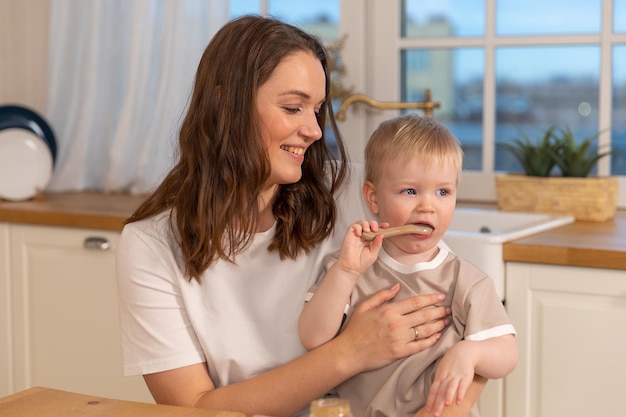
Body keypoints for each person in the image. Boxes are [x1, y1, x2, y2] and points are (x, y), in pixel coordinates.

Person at [116, 15, 486, 417]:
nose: (313, 130)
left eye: (317, 110)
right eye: (293, 107)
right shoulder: (151, 244)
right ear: (224, 103)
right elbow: (193, 407)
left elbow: (470, 324)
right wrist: (350, 353)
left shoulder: (360, 194)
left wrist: (447, 408)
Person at [299, 114, 518, 417]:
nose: (428, 206)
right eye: (410, 191)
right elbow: (313, 337)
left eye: (443, 192)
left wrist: (470, 352)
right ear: (373, 198)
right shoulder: (348, 267)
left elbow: (508, 354)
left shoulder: (467, 280)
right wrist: (346, 273)